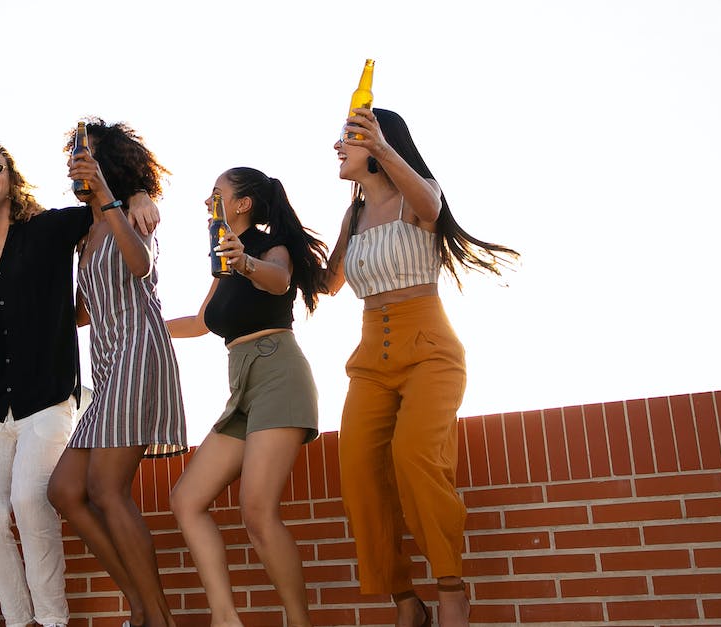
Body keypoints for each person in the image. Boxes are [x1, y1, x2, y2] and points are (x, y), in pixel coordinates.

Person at [0, 140, 160, 627]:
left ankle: (53, 620)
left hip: (48, 398)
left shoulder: (50, 227)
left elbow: (107, 206)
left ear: (10, 177)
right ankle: (21, 621)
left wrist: (141, 192)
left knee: (29, 499)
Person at [326, 108, 519, 627]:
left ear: (379, 141)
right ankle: (405, 600)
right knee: (359, 470)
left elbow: (432, 207)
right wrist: (255, 252)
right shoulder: (354, 216)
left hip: (430, 350)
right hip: (370, 360)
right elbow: (328, 283)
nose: (337, 148)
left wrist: (383, 144)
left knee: (414, 454)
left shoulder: (418, 194)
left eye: (349, 138)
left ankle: (451, 585)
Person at [165, 167, 328, 627]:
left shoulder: (265, 247)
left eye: (216, 193)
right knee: (186, 499)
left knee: (257, 510)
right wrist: (144, 327)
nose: (207, 201)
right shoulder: (221, 256)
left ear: (243, 205)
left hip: (279, 374)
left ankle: (299, 622)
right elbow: (201, 322)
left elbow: (277, 279)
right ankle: (225, 618)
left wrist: (246, 263)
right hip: (242, 388)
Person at [46, 120, 187, 627]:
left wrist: (115, 195)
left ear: (112, 165)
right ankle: (141, 603)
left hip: (138, 350)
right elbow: (84, 312)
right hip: (106, 363)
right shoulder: (84, 234)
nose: (77, 163)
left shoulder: (130, 211)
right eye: (75, 157)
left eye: (89, 155)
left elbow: (141, 264)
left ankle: (159, 618)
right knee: (64, 490)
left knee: (108, 490)